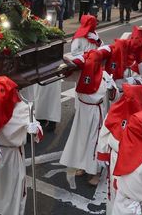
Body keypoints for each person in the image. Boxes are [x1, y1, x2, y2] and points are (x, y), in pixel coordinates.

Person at [0, 77, 43, 215]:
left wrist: (34, 128)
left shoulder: (22, 108)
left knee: (13, 190)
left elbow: (38, 130)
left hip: (12, 156)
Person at [60, 46, 114, 186]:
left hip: (96, 113)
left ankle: (95, 171)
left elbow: (113, 95)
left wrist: (111, 88)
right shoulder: (81, 72)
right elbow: (66, 76)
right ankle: (83, 165)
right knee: (81, 139)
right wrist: (68, 64)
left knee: (93, 141)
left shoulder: (105, 75)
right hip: (83, 112)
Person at [96, 84, 142, 213]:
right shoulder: (116, 112)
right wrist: (103, 154)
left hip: (136, 163)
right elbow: (105, 132)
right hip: (119, 158)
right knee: (116, 190)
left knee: (131, 195)